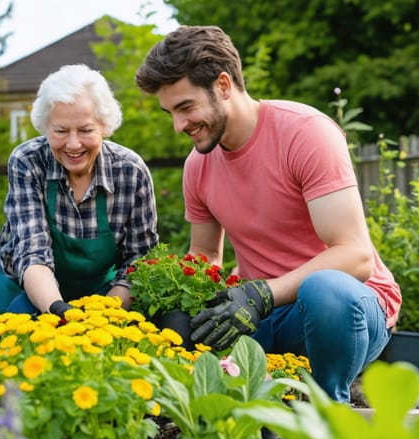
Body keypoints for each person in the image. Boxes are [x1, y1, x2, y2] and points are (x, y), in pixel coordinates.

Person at [135, 25, 402, 403]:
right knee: (187, 324)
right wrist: (181, 303)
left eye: (186, 107)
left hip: (346, 312)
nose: (179, 126)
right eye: (170, 113)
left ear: (223, 85)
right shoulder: (199, 165)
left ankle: (329, 414)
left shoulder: (305, 134)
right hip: (264, 313)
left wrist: (262, 293)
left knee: (324, 290)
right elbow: (206, 258)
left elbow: (355, 257)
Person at [0, 64, 159, 317]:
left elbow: (140, 261)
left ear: (104, 125)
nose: (73, 144)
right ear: (45, 127)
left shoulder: (131, 171)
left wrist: (104, 313)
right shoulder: (27, 162)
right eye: (60, 131)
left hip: (106, 294)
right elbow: (32, 252)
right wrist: (60, 310)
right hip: (30, 291)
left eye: (85, 130)